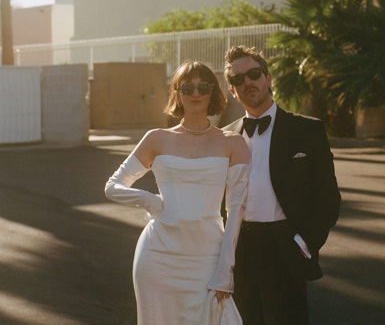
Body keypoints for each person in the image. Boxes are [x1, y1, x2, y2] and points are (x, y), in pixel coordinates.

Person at [105, 61, 249, 325]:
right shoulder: (156, 138)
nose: (196, 93)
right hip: (158, 256)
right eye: (187, 87)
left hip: (207, 257)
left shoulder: (233, 143)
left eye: (203, 87)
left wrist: (225, 268)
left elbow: (236, 208)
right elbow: (113, 186)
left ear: (213, 93)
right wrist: (148, 200)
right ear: (177, 93)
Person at [222, 45, 341, 325]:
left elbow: (327, 198)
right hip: (239, 251)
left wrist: (304, 243)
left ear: (268, 78)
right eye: (238, 80)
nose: (247, 83)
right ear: (232, 91)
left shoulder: (308, 130)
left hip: (285, 247)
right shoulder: (225, 137)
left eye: (253, 74)